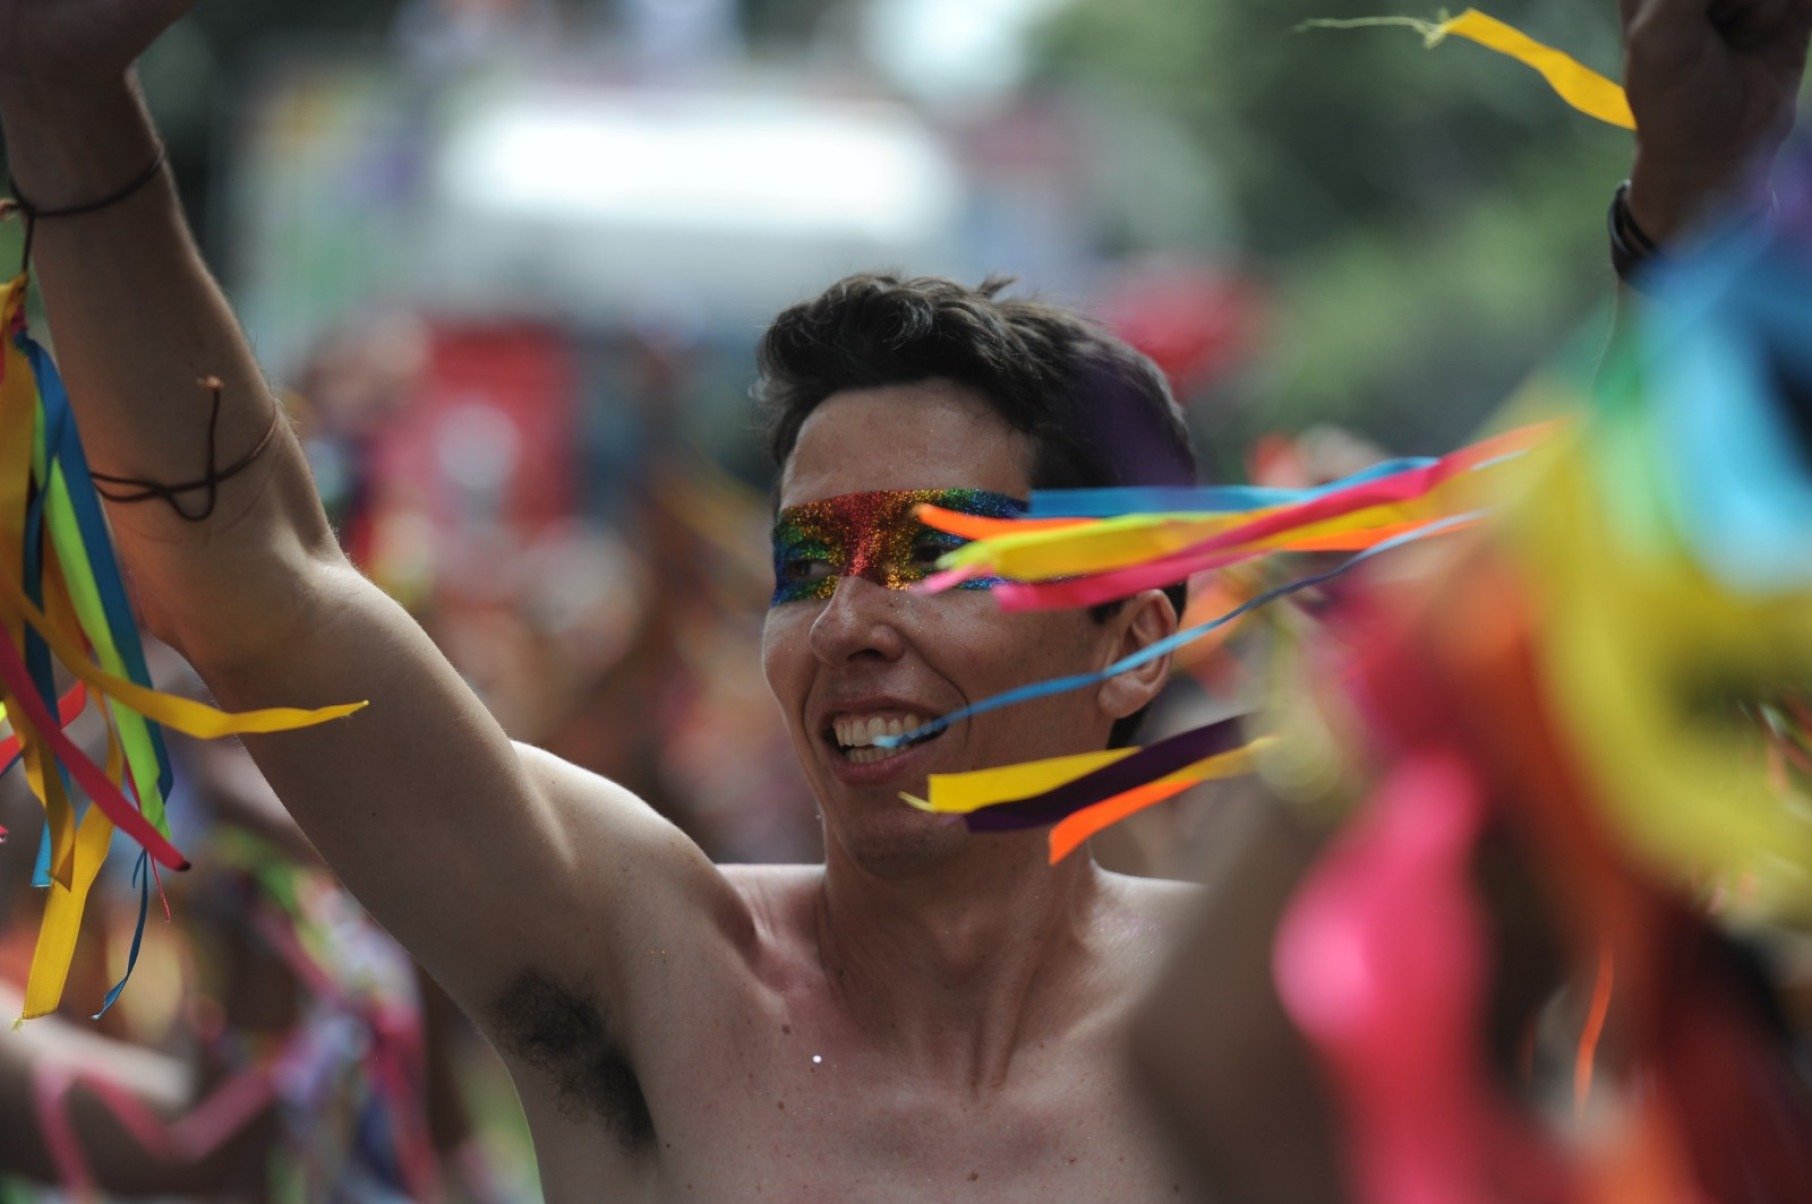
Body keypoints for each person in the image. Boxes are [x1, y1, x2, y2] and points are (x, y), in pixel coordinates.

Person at [0, 0, 1798, 1199]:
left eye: (934, 553)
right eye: (809, 561)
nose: (851, 618)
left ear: (1137, 635)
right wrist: (69, 102)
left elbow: (1585, 679)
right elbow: (266, 596)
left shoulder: (1269, 1015)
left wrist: (1690, 215)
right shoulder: (650, 967)